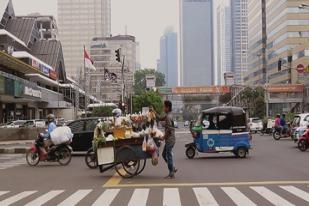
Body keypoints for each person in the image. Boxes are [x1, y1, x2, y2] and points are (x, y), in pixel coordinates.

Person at [161, 100, 177, 179]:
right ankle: (172, 168)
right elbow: (161, 118)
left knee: (168, 155)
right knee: (164, 154)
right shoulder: (168, 114)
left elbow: (169, 131)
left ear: (167, 107)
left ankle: (171, 172)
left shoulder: (168, 116)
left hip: (170, 140)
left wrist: (163, 137)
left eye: (164, 106)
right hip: (170, 139)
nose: (163, 108)